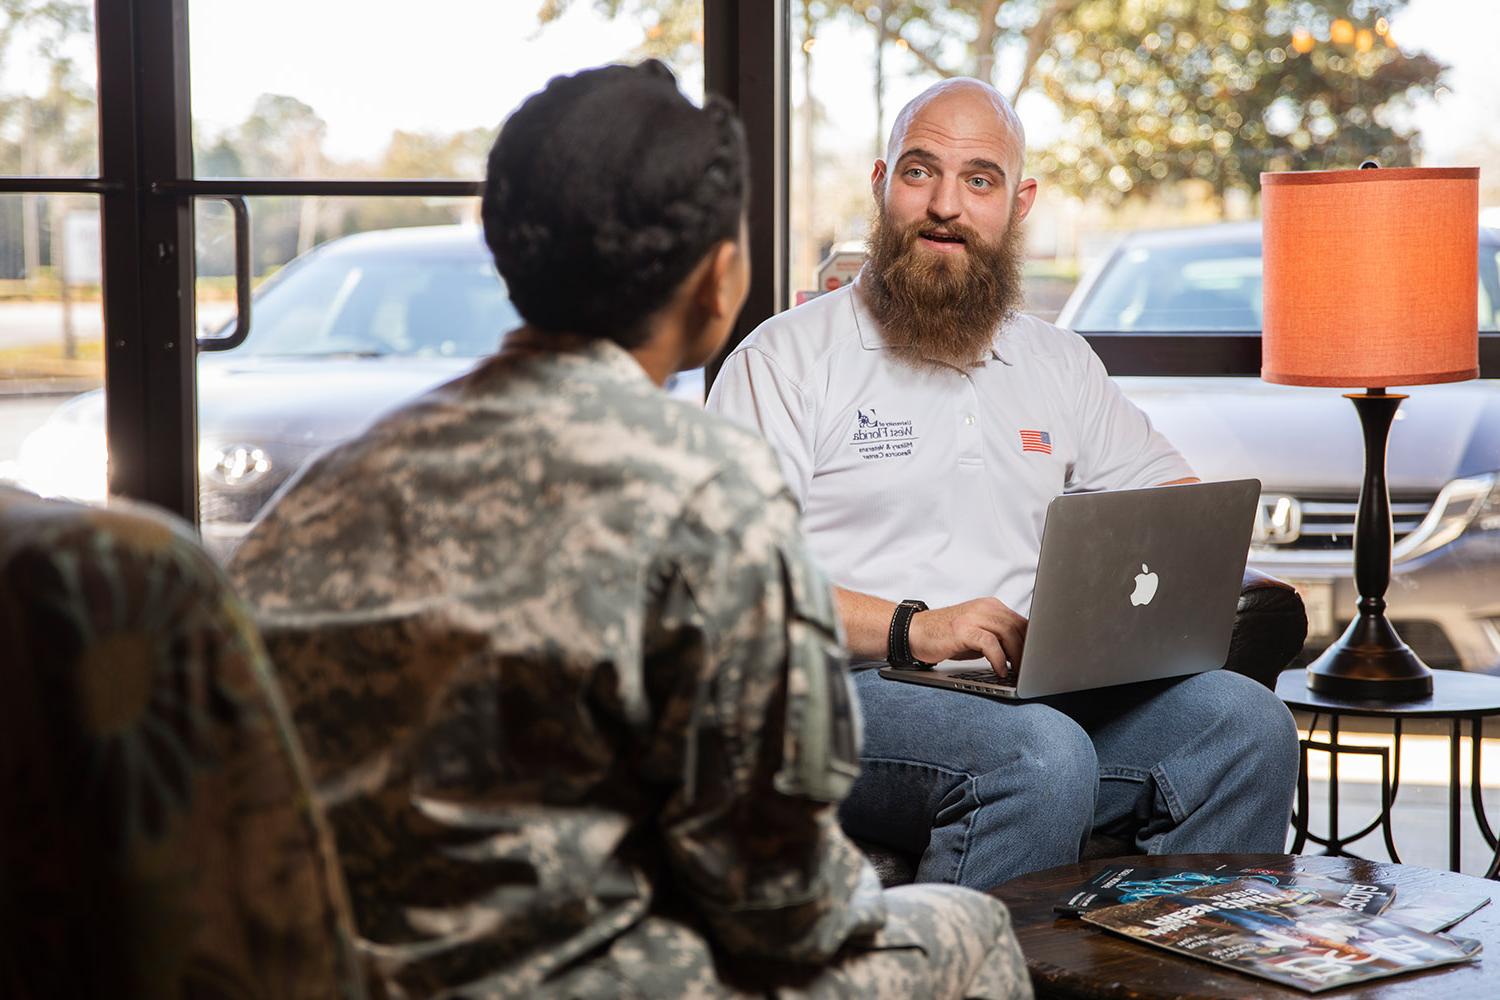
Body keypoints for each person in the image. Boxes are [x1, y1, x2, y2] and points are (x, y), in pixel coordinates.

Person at [228, 63, 1029, 1000]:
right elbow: (783, 900)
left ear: (504, 249)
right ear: (717, 280)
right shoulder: (707, 490)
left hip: (315, 973)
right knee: (965, 928)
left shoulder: (326, 490)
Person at [705, 77, 1301, 890]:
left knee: (1245, 724)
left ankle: (1172, 971)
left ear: (1017, 204)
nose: (946, 205)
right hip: (832, 692)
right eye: (920, 173)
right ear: (882, 188)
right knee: (1040, 754)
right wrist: (915, 627)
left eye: (978, 180)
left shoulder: (1057, 363)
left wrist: (1098, 627)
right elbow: (737, 585)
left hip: (1022, 691)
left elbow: (1178, 512)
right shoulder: (783, 361)